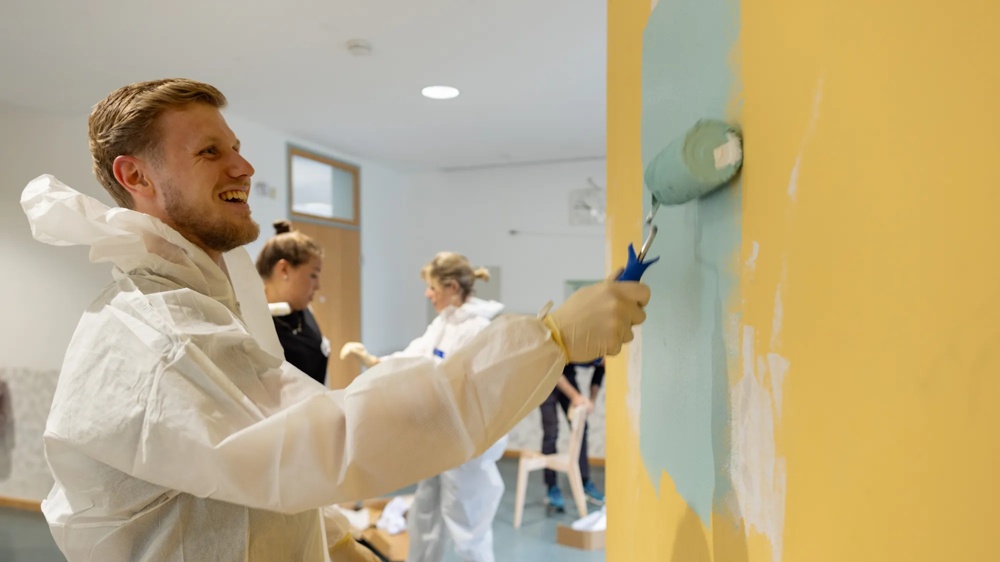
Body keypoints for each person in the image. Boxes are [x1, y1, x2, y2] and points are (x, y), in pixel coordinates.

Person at [19, 77, 649, 562]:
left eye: (236, 147)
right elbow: (331, 440)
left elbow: (256, 472)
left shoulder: (208, 310)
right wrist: (550, 340)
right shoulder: (156, 335)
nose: (244, 167)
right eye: (211, 151)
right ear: (137, 176)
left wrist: (331, 538)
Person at [340, 252, 506, 562]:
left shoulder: (478, 329)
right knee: (425, 516)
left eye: (432, 287)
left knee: (468, 527)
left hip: (465, 443)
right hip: (439, 436)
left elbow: (465, 384)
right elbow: (416, 356)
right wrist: (374, 361)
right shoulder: (445, 323)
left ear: (452, 287)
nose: (427, 294)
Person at [256, 219, 329, 386]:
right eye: (313, 275)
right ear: (284, 269)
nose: (317, 286)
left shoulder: (303, 312)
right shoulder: (253, 323)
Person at [540, 358, 606, 512]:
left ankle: (584, 481)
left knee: (581, 426)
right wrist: (575, 396)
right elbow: (551, 367)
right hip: (546, 375)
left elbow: (598, 375)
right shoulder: (586, 346)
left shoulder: (604, 358)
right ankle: (552, 487)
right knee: (551, 431)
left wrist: (591, 401)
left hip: (567, 373)